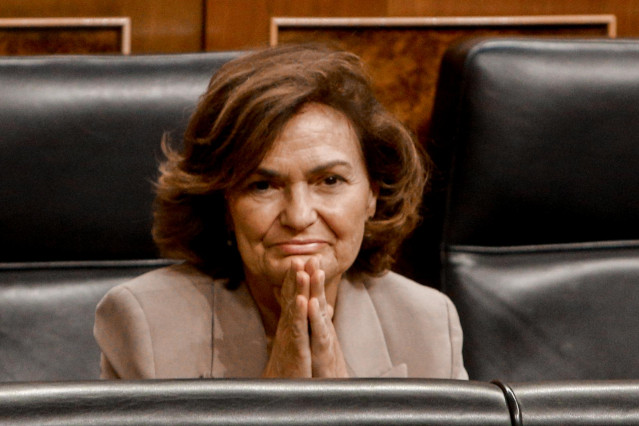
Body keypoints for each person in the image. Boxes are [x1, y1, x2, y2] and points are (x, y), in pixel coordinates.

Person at [94, 44, 467, 379]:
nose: (299, 216)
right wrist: (274, 400)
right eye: (263, 185)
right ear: (223, 203)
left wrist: (347, 406)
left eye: (330, 181)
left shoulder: (428, 325)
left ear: (373, 193)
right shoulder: (145, 325)